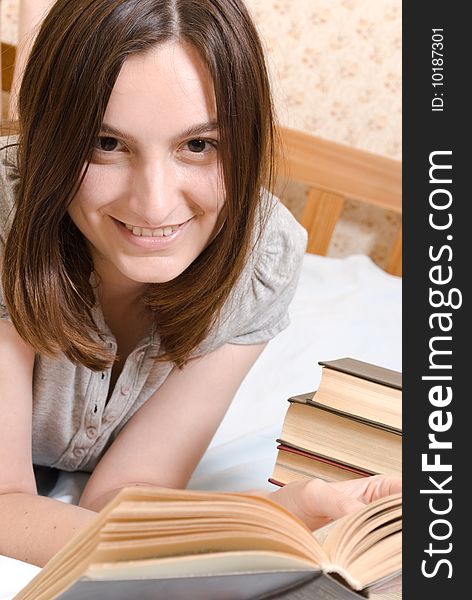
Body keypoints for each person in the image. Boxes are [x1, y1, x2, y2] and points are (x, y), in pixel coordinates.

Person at [0, 0, 401, 568]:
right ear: (49, 139)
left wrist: (287, 510)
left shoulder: (261, 256)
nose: (155, 203)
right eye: (107, 144)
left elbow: (127, 490)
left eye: (198, 146)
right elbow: (5, 505)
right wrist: (233, 537)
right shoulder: (5, 218)